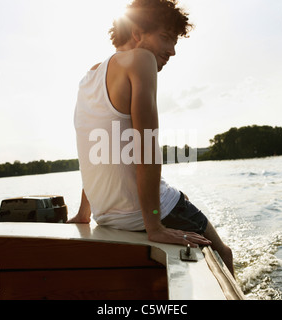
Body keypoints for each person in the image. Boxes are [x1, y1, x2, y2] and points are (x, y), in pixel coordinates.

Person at [69, 0, 234, 275]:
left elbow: (95, 148)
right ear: (137, 33)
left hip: (106, 216)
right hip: (141, 216)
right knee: (224, 253)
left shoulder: (89, 77)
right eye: (166, 38)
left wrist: (85, 212)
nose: (172, 51)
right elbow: (146, 145)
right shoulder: (140, 59)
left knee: (178, 196)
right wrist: (154, 225)